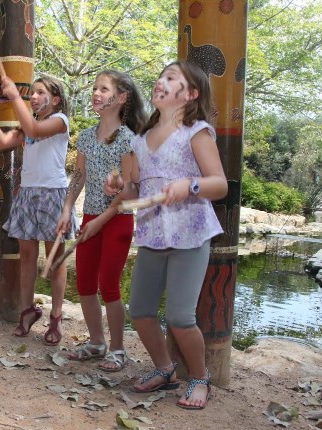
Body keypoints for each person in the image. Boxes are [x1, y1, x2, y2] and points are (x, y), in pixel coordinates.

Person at [106, 60, 227, 409]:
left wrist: (189, 184)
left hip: (191, 234)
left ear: (190, 94)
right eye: (161, 76)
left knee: (179, 316)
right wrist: (119, 187)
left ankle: (200, 377)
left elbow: (218, 184)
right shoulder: (142, 139)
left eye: (171, 78)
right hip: (153, 235)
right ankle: (165, 370)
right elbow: (134, 189)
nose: (161, 81)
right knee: (141, 310)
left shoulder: (197, 132)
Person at [58, 70, 147, 371]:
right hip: (91, 216)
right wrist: (68, 206)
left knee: (108, 284)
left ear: (121, 98)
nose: (96, 93)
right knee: (84, 284)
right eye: (95, 88)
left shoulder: (128, 139)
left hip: (118, 219)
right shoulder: (85, 136)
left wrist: (116, 193)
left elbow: (132, 188)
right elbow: (79, 175)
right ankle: (97, 342)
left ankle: (118, 349)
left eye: (104, 89)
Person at [0, 75, 74, 346]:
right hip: (28, 193)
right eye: (30, 93)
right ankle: (27, 310)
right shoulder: (28, 125)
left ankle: (56, 318)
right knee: (27, 258)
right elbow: (1, 141)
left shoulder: (60, 121)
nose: (32, 97)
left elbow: (33, 130)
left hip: (52, 195)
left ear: (54, 100)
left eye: (39, 93)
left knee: (55, 260)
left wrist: (13, 96)